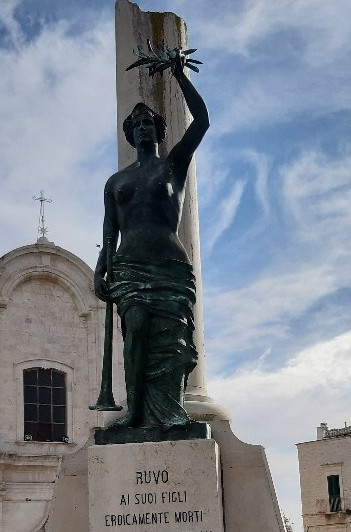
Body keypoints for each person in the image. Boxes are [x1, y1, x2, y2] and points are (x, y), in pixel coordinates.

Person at [94, 49, 209, 429]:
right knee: (137, 331)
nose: (142, 126)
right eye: (136, 123)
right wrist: (100, 270)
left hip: (169, 266)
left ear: (158, 130)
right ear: (129, 134)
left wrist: (179, 75)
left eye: (148, 122)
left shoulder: (173, 164)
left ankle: (170, 413)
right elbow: (110, 230)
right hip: (128, 267)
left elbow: (202, 122)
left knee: (172, 342)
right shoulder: (116, 182)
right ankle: (136, 413)